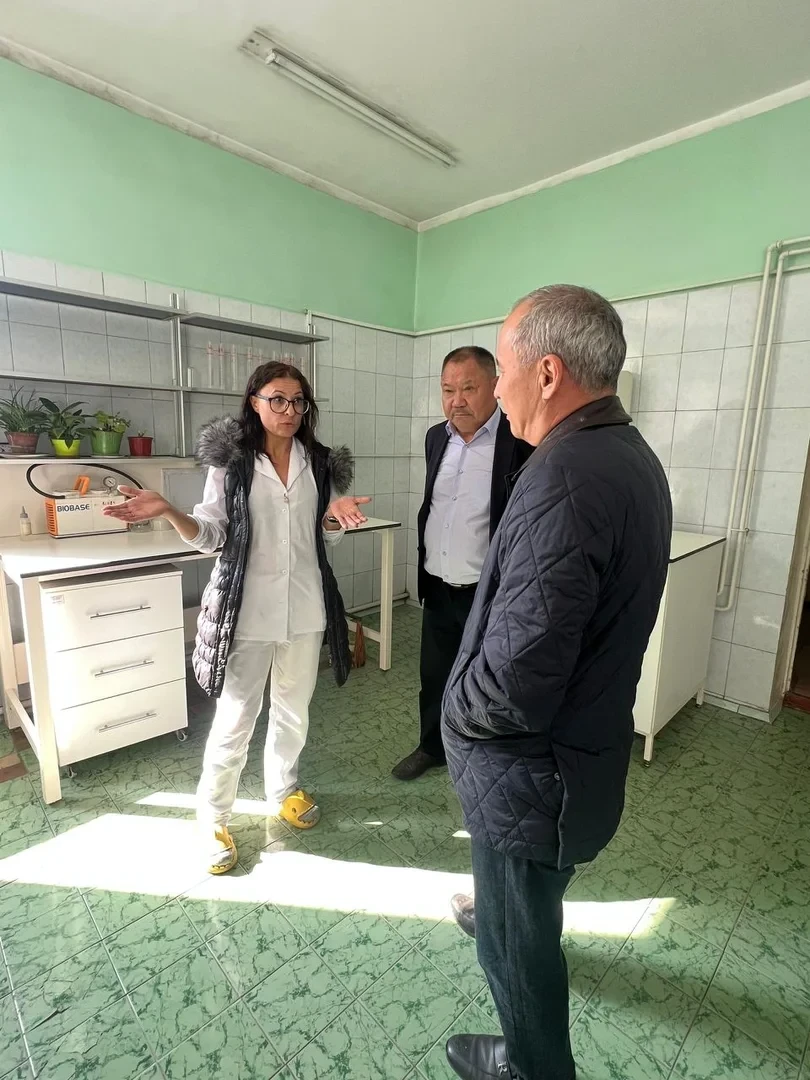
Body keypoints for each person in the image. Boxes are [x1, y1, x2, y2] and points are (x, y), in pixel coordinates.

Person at [440, 286, 672, 1080]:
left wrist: (455, 715)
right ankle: (509, 918)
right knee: (526, 903)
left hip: (533, 776)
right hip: (581, 756)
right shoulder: (628, 455)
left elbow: (516, 681)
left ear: (545, 373)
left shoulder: (566, 475)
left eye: (501, 371)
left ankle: (532, 1065)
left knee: (514, 951)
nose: (495, 390)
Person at [104, 361, 371, 875]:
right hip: (246, 610)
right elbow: (212, 535)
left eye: (298, 401)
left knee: (294, 711)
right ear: (254, 402)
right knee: (235, 718)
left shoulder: (318, 462)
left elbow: (322, 537)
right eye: (277, 399)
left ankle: (284, 790)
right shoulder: (234, 462)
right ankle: (213, 817)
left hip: (305, 606)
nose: (289, 410)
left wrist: (332, 519)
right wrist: (169, 511)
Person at [392, 346, 531, 781]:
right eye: (448, 390)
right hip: (437, 583)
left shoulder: (520, 440)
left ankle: (485, 758)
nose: (457, 401)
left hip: (488, 591)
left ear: (495, 386)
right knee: (434, 675)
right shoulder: (437, 437)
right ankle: (431, 747)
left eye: (468, 389)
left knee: (489, 681)